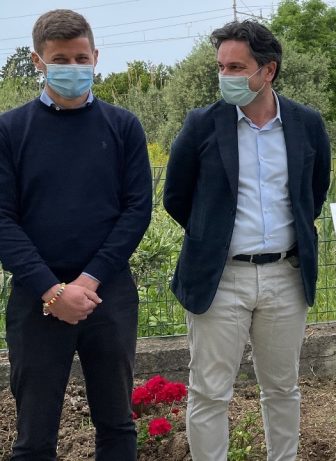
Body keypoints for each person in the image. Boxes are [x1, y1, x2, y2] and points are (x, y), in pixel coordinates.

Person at [163, 20, 331, 461]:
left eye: (237, 67)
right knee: (209, 393)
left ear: (268, 70)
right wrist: (214, 237)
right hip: (221, 280)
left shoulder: (306, 124)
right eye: (221, 67)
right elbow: (176, 197)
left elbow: (313, 194)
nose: (226, 76)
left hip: (285, 278)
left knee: (282, 388)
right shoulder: (202, 124)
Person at [0, 9, 152, 460]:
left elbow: (136, 210)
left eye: (81, 58)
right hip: (36, 297)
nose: (73, 68)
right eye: (60, 59)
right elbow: (2, 219)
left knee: (118, 427)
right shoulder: (9, 130)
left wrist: (88, 282)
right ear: (38, 61)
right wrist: (51, 290)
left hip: (108, 293)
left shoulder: (123, 127)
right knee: (34, 436)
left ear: (96, 56)